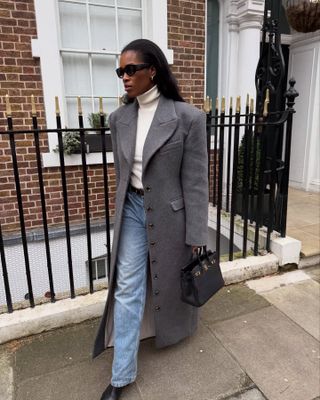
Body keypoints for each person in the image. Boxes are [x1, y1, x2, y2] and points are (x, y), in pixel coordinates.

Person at [93, 39, 208, 400]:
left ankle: (175, 330)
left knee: (172, 279)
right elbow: (122, 173)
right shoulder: (119, 119)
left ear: (152, 70)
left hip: (171, 214)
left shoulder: (188, 118)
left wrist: (197, 231)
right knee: (128, 286)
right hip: (131, 208)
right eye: (120, 71)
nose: (124, 78)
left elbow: (195, 181)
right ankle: (121, 376)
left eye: (131, 70)